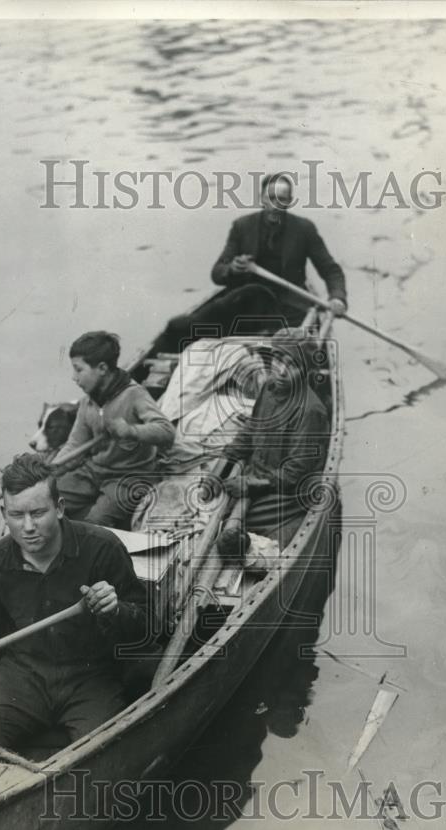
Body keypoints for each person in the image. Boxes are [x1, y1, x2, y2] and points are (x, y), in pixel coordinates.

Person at [0, 453, 148, 753]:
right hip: (24, 673)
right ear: (3, 514)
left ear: (60, 508)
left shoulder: (102, 547)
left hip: (90, 675)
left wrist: (115, 610)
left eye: (37, 513)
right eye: (16, 515)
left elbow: (145, 625)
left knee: (102, 746)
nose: (28, 527)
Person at [149, 172, 347, 358]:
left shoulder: (304, 229)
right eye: (270, 198)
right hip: (245, 308)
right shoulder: (242, 226)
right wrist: (233, 269)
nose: (275, 205)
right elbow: (217, 273)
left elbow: (331, 270)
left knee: (291, 355)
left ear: (289, 202)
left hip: (289, 310)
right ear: (261, 199)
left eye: (282, 199)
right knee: (177, 328)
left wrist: (337, 298)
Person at [218, 335, 331, 552]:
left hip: (286, 496)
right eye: (278, 360)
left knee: (235, 538)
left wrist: (251, 485)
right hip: (258, 477)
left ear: (305, 372)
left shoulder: (310, 411)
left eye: (292, 366)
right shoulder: (269, 387)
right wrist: (226, 459)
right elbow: (252, 428)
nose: (280, 370)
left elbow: (293, 474)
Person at [54, 331, 175, 529]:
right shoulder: (87, 402)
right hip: (94, 471)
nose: (74, 378)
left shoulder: (134, 395)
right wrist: (52, 469)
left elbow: (167, 432)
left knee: (96, 522)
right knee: (47, 500)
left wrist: (130, 431)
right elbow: (75, 446)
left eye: (79, 370)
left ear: (102, 368)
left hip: (131, 476)